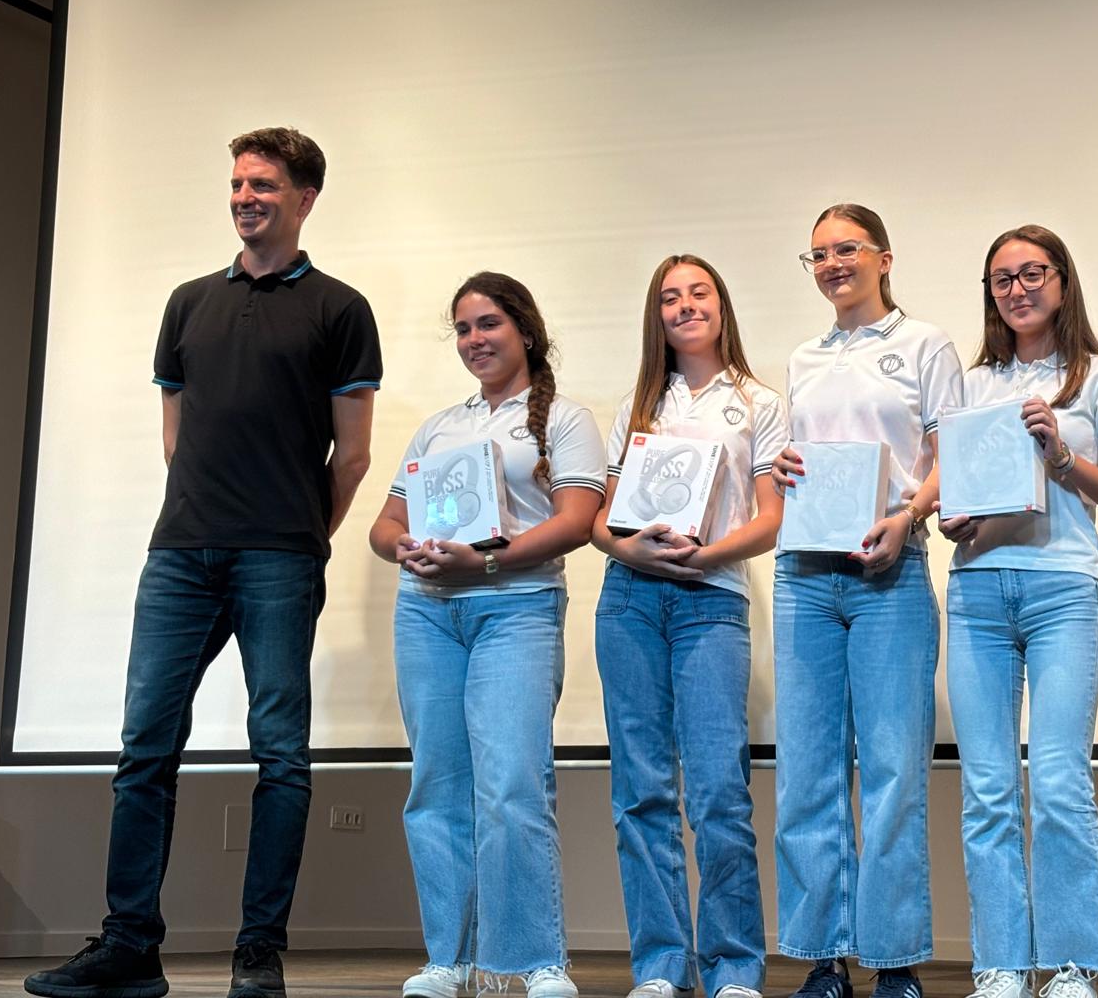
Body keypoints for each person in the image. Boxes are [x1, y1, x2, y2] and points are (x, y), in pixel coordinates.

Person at [26, 128, 382, 998]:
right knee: (145, 747)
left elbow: (353, 457)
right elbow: (176, 440)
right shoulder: (188, 302)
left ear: (304, 198)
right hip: (180, 555)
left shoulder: (340, 308)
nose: (244, 197)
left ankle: (258, 953)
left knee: (281, 755)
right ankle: (129, 948)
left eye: (264, 184)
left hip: (280, 556)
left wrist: (303, 535)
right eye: (237, 183)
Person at [368, 272, 606, 998]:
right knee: (437, 785)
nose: (475, 339)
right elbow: (386, 524)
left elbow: (577, 520)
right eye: (464, 328)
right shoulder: (440, 426)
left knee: (511, 786)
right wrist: (401, 548)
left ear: (525, 331)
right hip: (427, 613)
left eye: (489, 324)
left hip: (516, 608)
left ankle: (534, 960)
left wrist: (488, 561)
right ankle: (452, 958)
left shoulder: (566, 419)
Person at [937, 225, 1098, 998]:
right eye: (1002, 279)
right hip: (978, 592)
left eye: (1032, 274)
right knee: (988, 789)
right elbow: (954, 495)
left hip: (1061, 590)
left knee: (1058, 782)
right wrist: (954, 518)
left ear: (1061, 280)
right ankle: (1000, 964)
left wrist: (1062, 457)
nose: (1017, 289)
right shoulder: (971, 384)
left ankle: (1073, 964)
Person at [770, 204, 963, 998]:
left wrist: (909, 515)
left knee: (892, 773)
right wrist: (783, 467)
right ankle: (824, 959)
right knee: (807, 774)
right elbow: (796, 458)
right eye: (817, 254)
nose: (832, 264)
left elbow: (950, 454)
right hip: (803, 573)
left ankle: (893, 960)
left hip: (890, 571)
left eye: (846, 249)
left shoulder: (925, 344)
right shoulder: (803, 357)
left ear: (883, 257)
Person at [592, 254, 785, 998]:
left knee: (718, 792)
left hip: (712, 601)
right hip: (630, 600)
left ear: (721, 305)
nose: (685, 306)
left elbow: (771, 518)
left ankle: (733, 966)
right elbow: (603, 521)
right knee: (641, 793)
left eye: (698, 292)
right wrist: (629, 549)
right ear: (658, 317)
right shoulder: (639, 405)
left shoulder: (759, 403)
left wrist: (705, 557)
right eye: (670, 298)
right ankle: (661, 966)